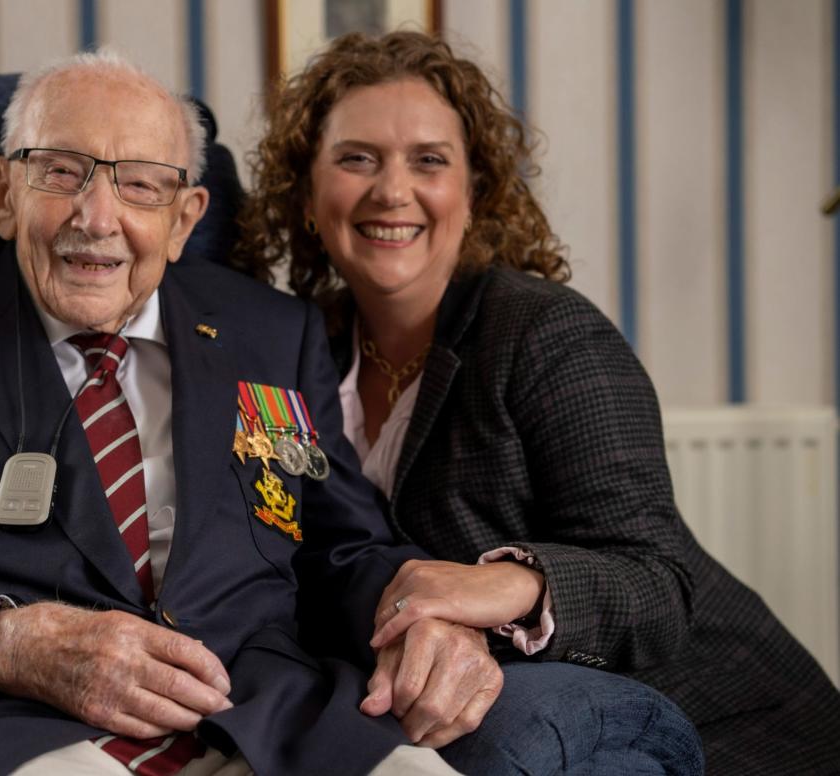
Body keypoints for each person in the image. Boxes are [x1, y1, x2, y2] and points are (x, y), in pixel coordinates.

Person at [0, 50, 700, 776]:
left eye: (138, 183)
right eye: (60, 172)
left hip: (278, 722)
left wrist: (422, 616)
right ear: (3, 192)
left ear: (184, 213)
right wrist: (9, 645)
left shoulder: (269, 334)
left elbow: (339, 548)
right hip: (10, 739)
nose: (96, 216)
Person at [234, 29, 840, 774]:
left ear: (476, 190)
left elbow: (659, 582)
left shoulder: (548, 336)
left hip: (722, 726)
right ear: (305, 190)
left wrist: (511, 583)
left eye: (430, 160)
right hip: (513, 731)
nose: (392, 191)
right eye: (357, 158)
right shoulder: (296, 351)